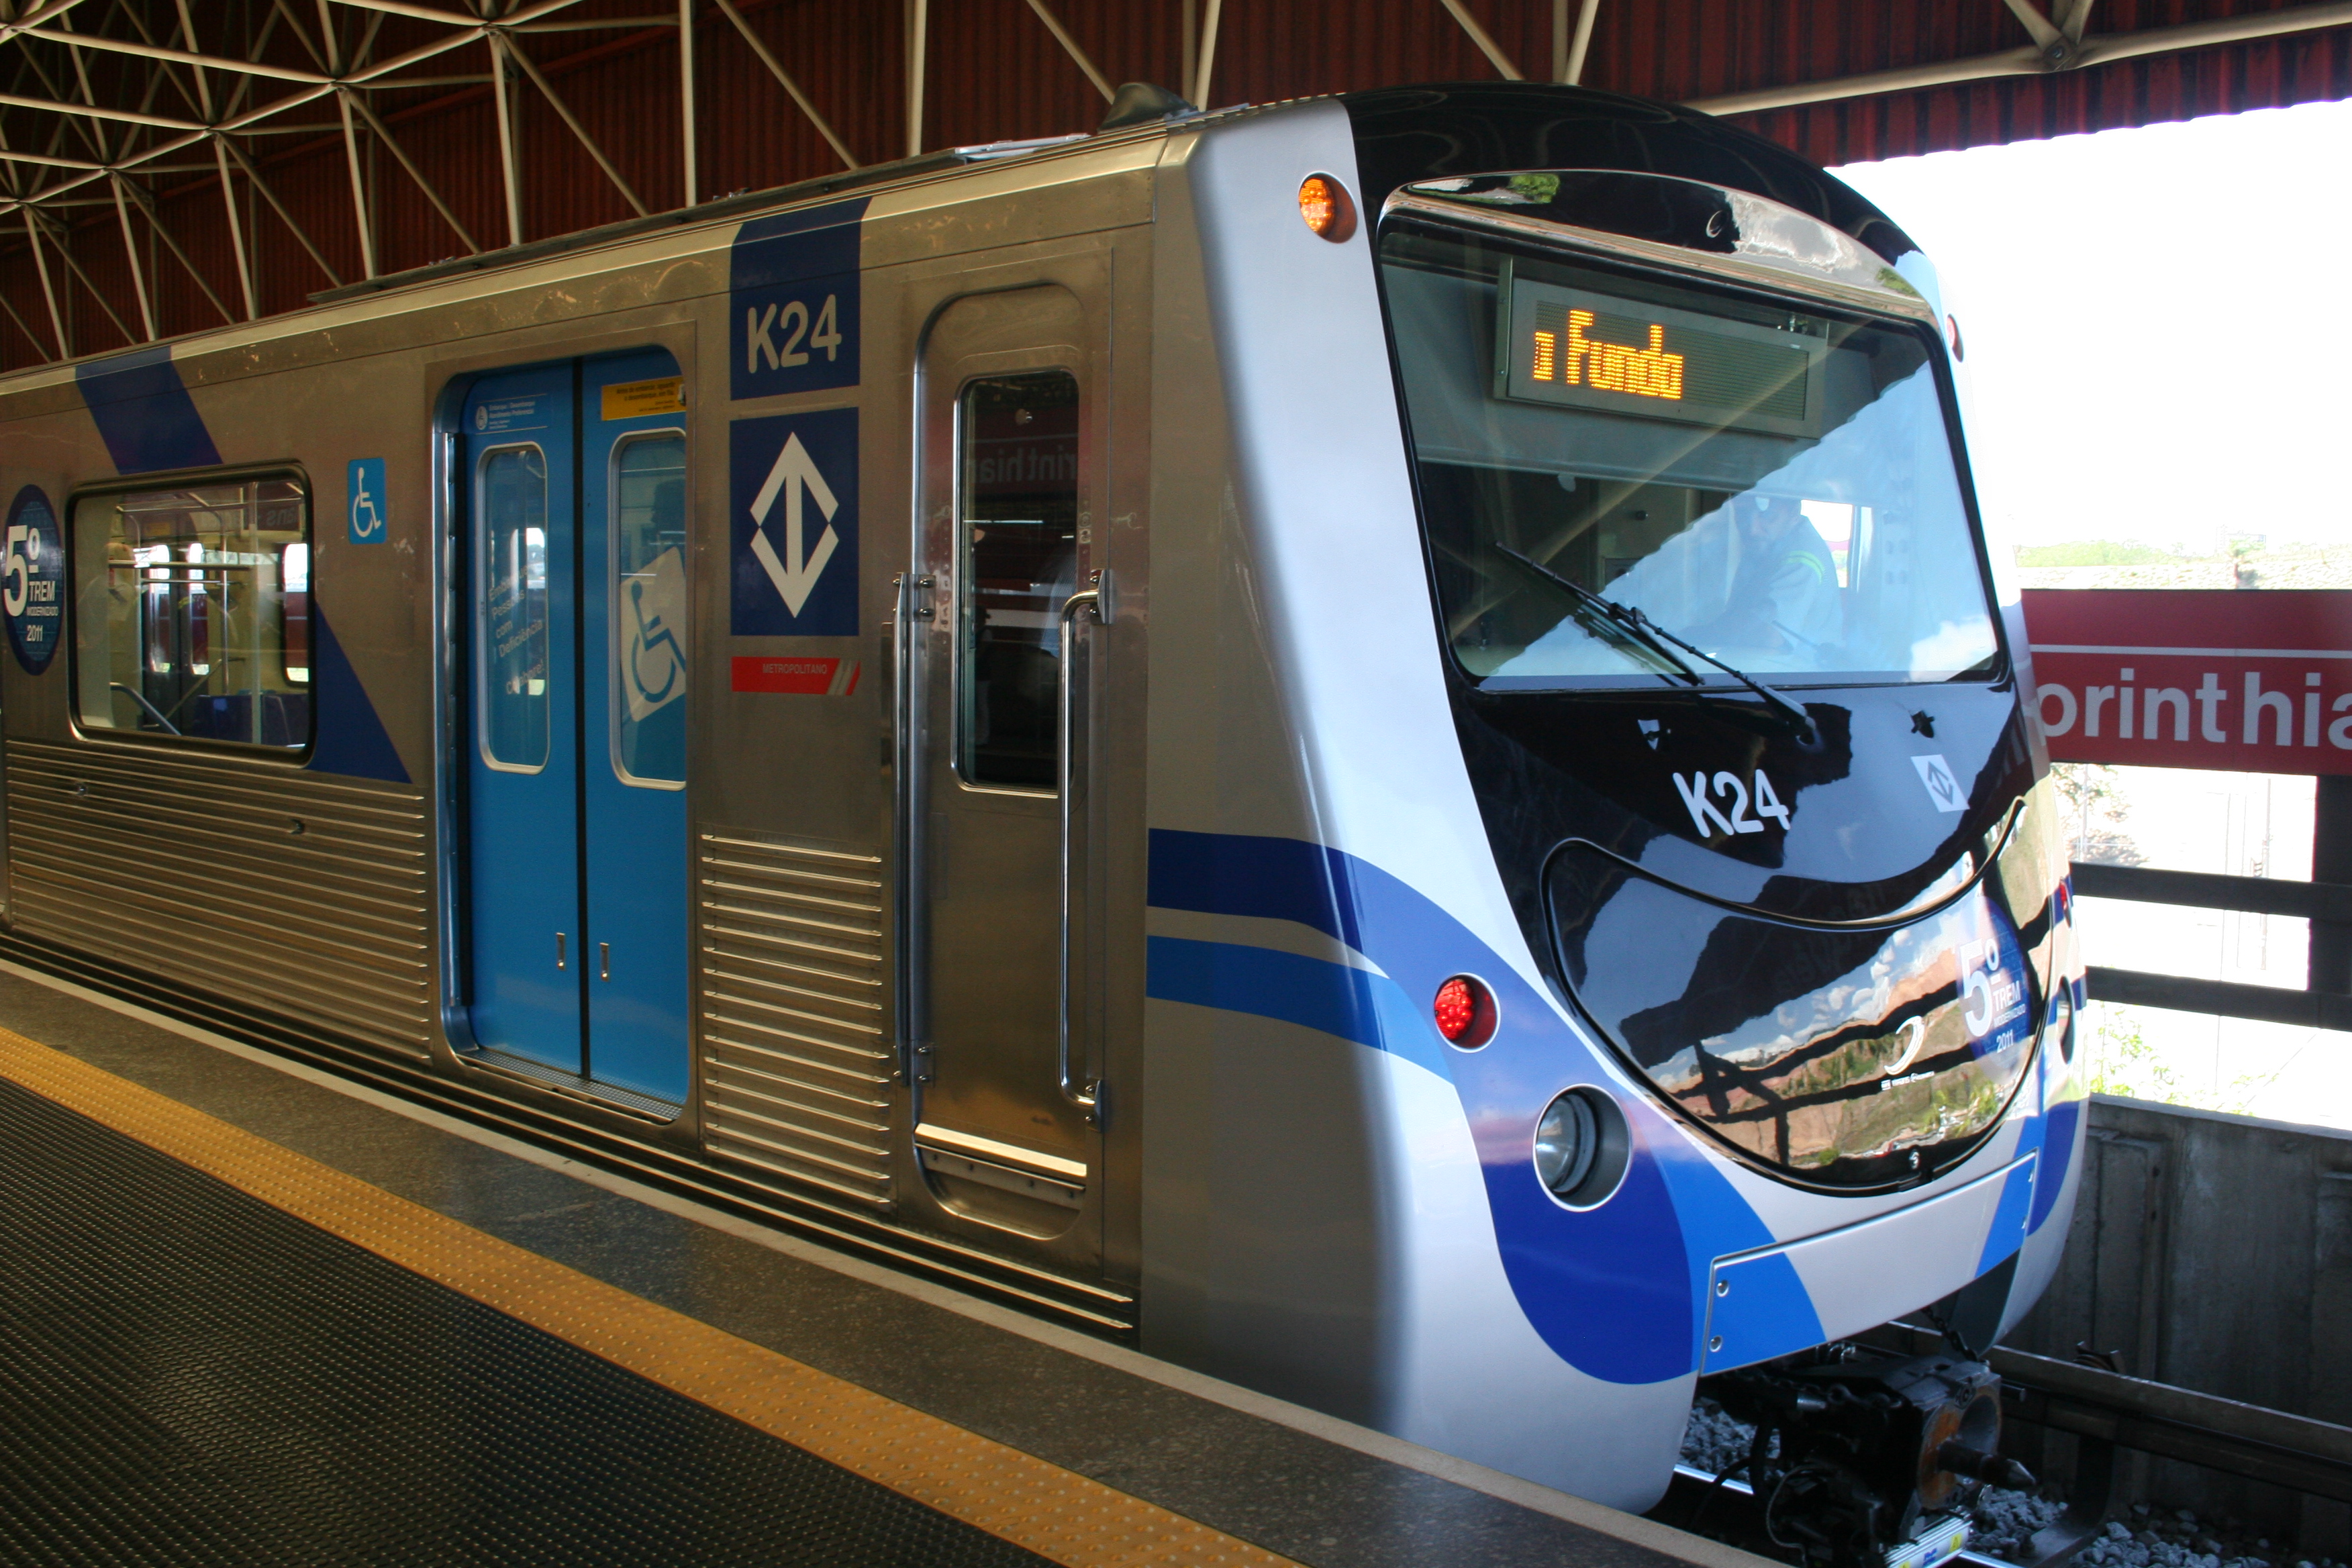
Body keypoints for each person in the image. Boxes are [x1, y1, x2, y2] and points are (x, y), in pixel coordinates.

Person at [1682, 492, 1842, 659]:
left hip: (1795, 676)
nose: (1753, 530)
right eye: (1744, 516)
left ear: (1793, 513)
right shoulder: (1768, 545)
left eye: (1769, 517)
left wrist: (1693, 636)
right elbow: (1739, 616)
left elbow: (1770, 635)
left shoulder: (1802, 557)